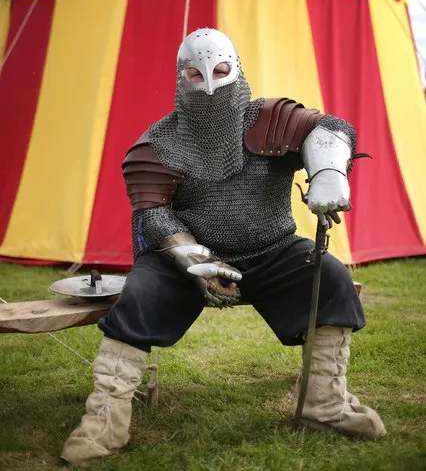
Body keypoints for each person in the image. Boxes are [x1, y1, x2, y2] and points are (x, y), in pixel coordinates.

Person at [62, 28, 386, 466]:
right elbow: (154, 215)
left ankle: (323, 405)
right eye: (197, 74)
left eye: (219, 70)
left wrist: (329, 173)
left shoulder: (270, 119)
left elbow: (329, 128)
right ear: (182, 78)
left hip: (272, 249)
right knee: (140, 296)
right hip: (187, 255)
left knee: (329, 277)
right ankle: (105, 422)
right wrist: (196, 258)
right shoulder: (160, 143)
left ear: (237, 70)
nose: (210, 82)